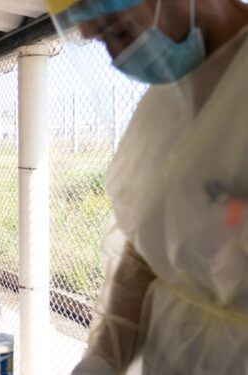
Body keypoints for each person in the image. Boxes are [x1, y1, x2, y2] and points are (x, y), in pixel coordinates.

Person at [46, 0, 248, 373]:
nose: (117, 59)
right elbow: (147, 250)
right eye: (98, 41)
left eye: (119, 31)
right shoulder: (166, 101)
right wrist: (104, 357)